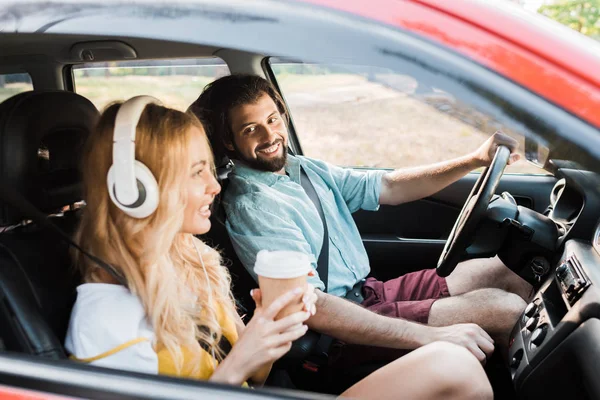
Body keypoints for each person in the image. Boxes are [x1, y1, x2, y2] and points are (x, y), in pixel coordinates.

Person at [64, 98, 492, 399]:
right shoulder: (106, 318)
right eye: (197, 173)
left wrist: (265, 336)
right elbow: (236, 378)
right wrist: (239, 363)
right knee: (454, 366)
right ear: (136, 191)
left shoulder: (193, 259)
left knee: (488, 280)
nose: (215, 186)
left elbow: (257, 381)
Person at [189, 74, 530, 367]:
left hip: (369, 294)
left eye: (273, 119)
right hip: (337, 336)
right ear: (228, 142)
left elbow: (389, 186)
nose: (270, 135)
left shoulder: (303, 169)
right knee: (504, 309)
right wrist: (430, 335)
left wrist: (474, 159)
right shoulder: (254, 205)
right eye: (251, 129)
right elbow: (314, 307)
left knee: (507, 271)